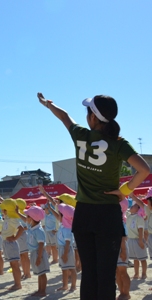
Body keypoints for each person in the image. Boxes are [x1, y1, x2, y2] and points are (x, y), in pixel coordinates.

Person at [37, 92, 150, 299]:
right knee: (106, 275)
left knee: (89, 273)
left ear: (93, 118)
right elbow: (143, 170)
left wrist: (47, 104)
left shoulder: (81, 135)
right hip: (108, 214)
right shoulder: (118, 143)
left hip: (85, 213)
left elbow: (64, 116)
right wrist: (124, 191)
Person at [23, 205, 49, 297]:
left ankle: (43, 291)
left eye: (28, 216)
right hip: (34, 253)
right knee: (39, 273)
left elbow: (41, 244)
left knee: (42, 273)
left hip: (39, 253)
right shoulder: (32, 227)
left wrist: (39, 257)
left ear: (33, 218)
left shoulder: (39, 230)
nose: (26, 218)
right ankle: (39, 290)